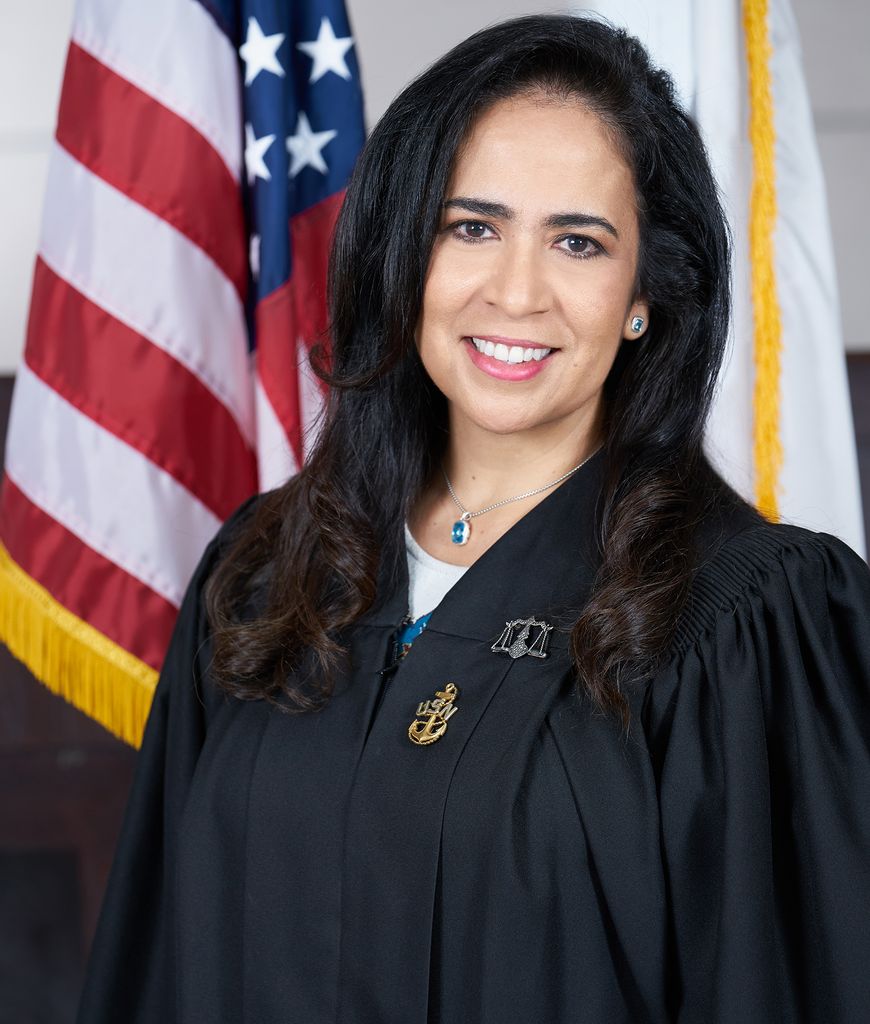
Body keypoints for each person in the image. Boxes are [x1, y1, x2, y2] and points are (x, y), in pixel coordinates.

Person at [77, 13, 870, 1024]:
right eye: (472, 227)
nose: (516, 292)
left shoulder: (744, 624)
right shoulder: (269, 572)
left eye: (578, 242)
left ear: (645, 295)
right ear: (406, 253)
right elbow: (160, 965)